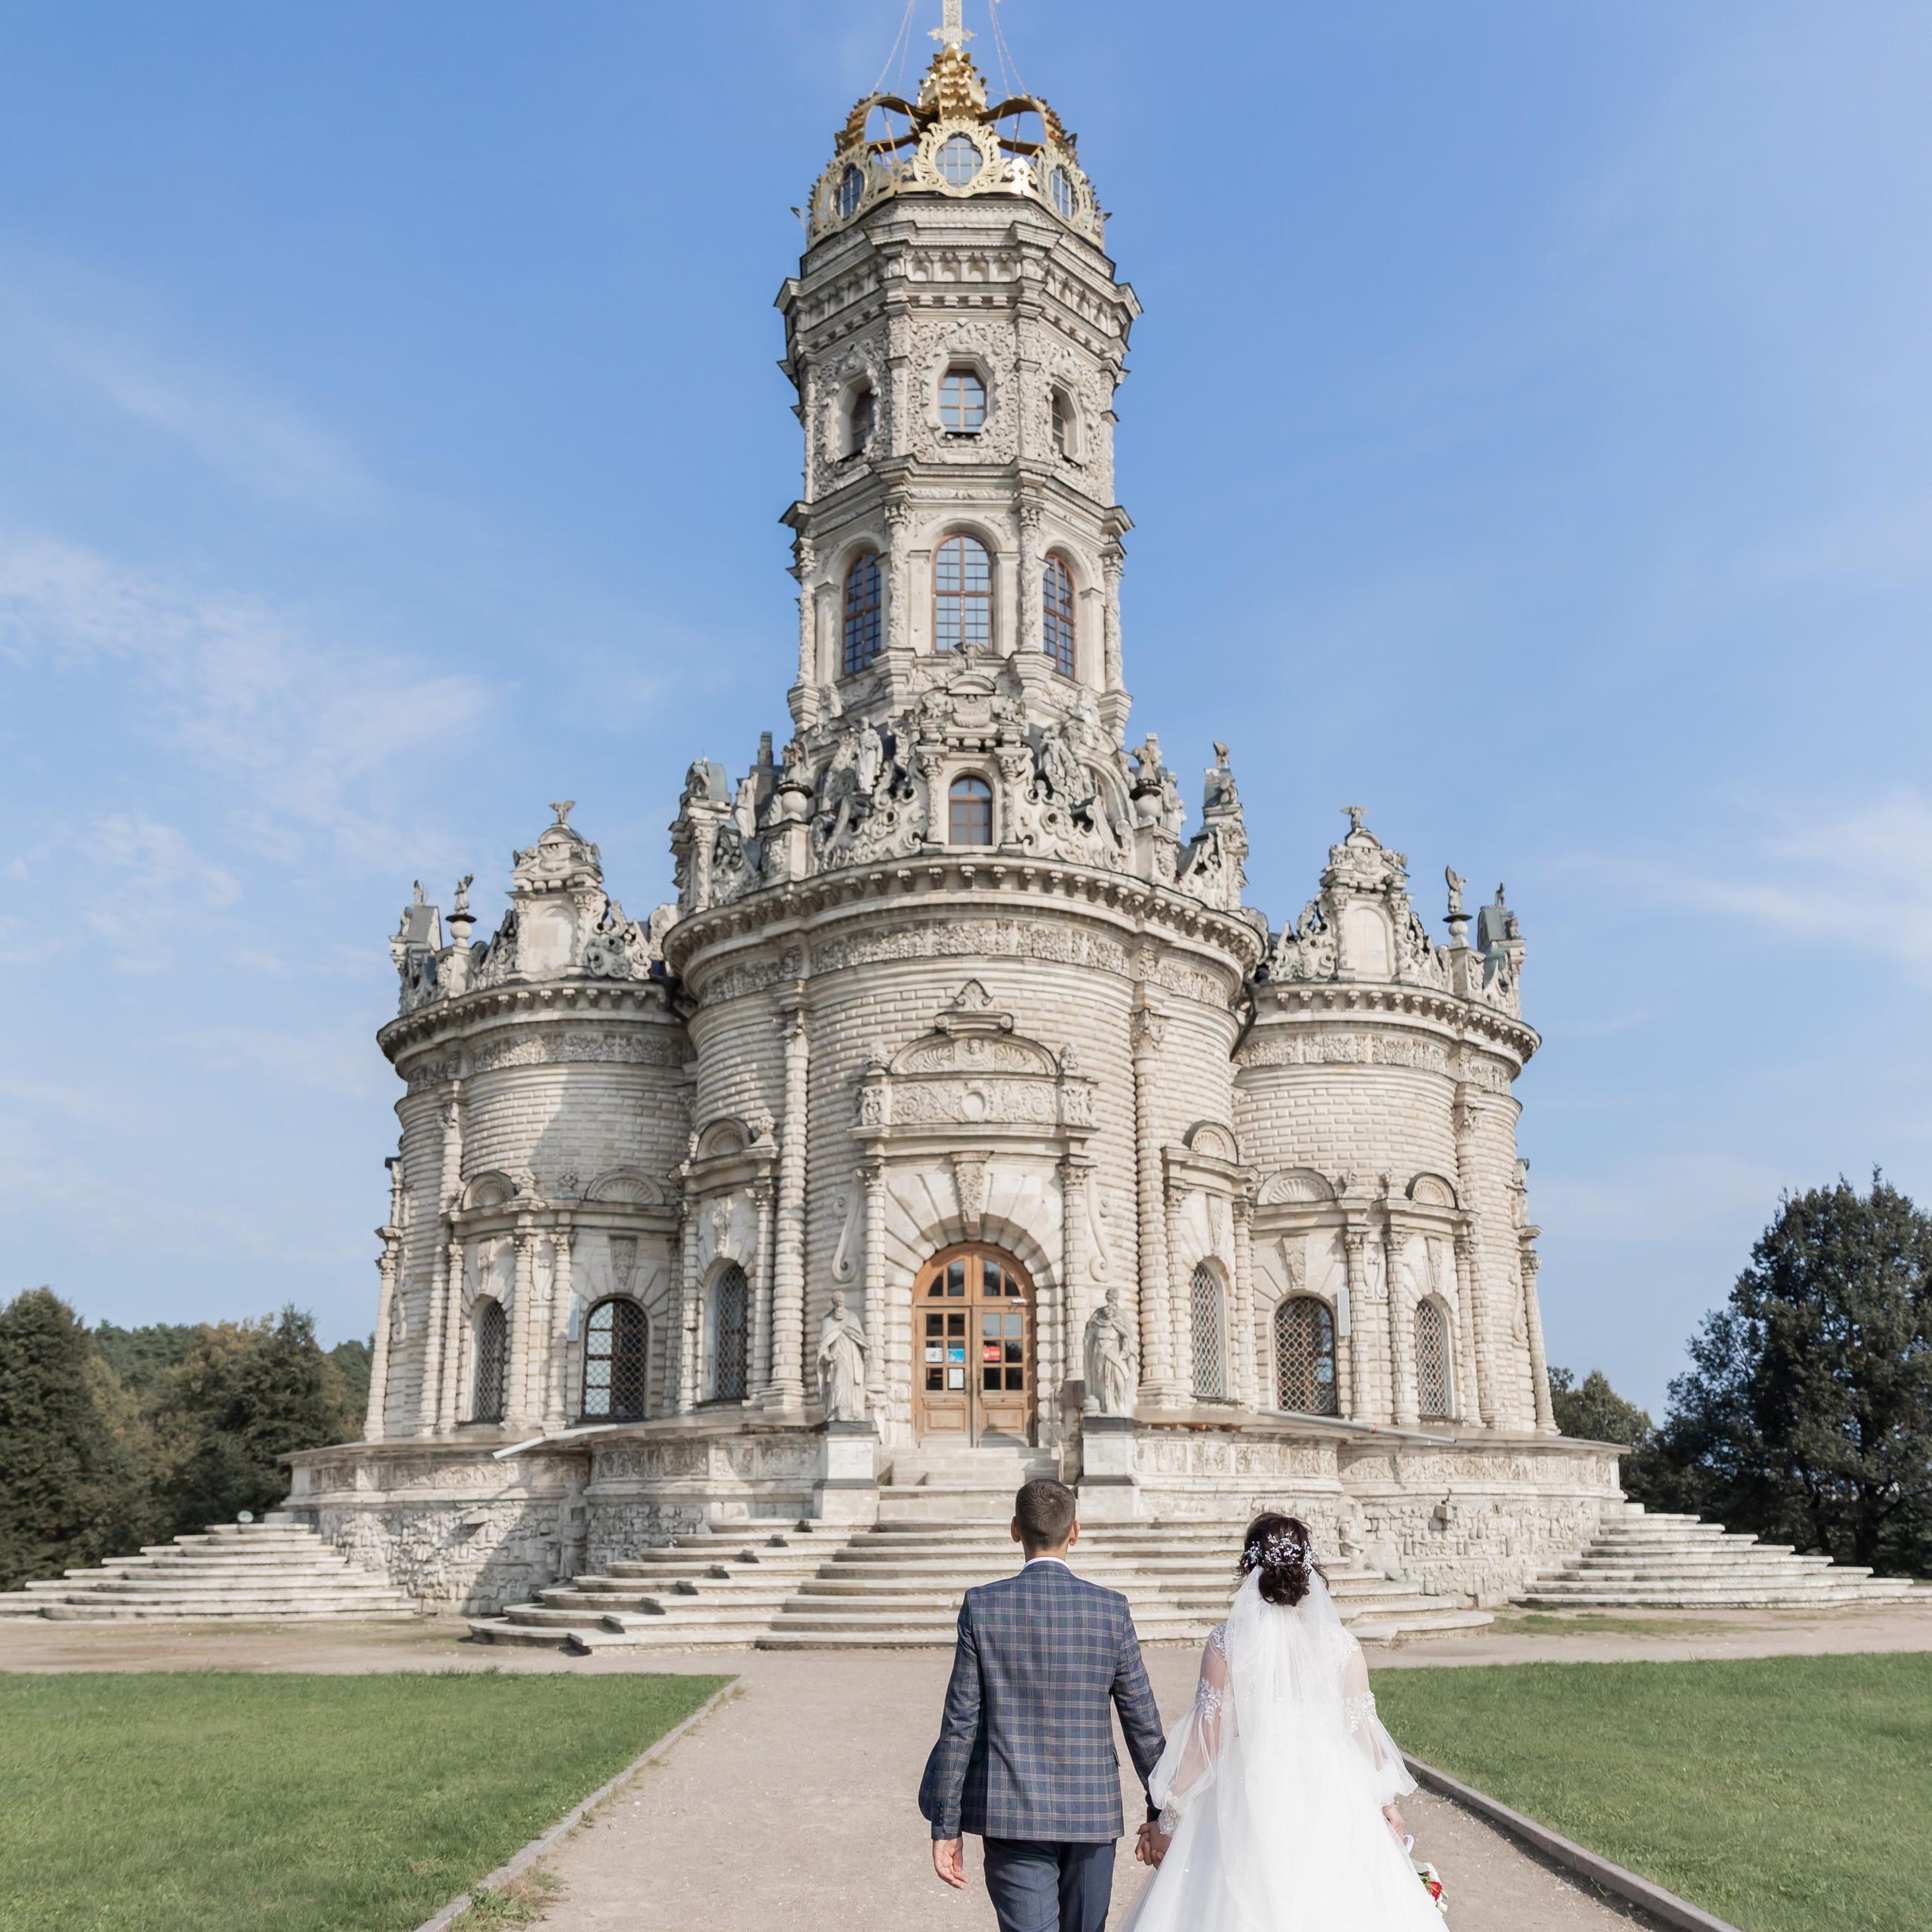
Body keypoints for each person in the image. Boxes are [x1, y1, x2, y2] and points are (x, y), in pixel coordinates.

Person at [1122, 1515, 1444, 1932]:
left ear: (1250, 1569)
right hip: (1329, 1794)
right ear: (1308, 1570)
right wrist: (1386, 1804)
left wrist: (1168, 1822)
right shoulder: (1342, 1646)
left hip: (1242, 1795)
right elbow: (1362, 1732)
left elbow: (1206, 1737)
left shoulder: (1227, 1643)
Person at [919, 1478, 1167, 1932]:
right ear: (1075, 1531)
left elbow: (959, 1724)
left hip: (1011, 1812)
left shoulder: (983, 1606)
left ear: (1016, 1529)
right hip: (1091, 1811)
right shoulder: (1109, 1610)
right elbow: (1143, 1725)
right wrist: (1163, 1811)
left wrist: (946, 1825)